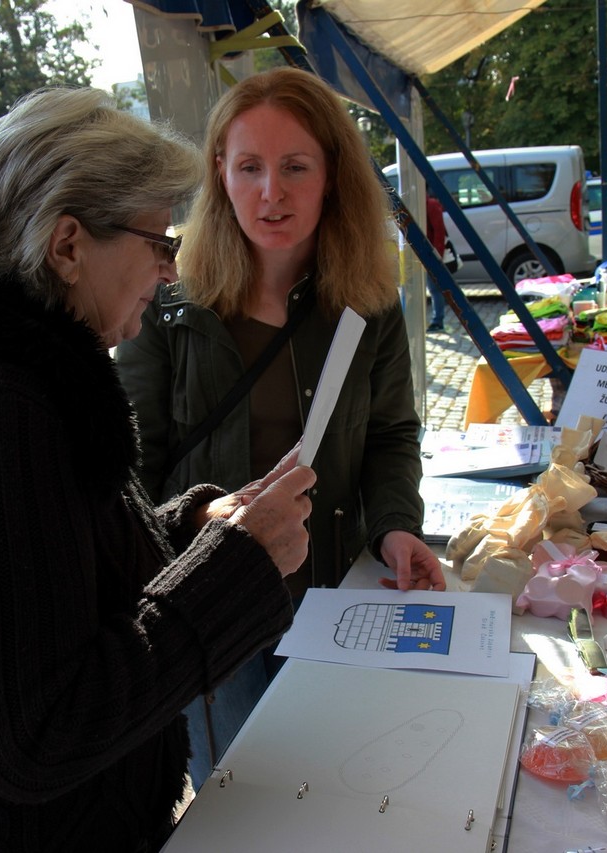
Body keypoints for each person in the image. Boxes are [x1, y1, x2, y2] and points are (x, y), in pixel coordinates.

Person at [0, 87, 316, 851]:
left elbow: (32, 577)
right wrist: (237, 571)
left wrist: (190, 528)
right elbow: (38, 734)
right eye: (157, 241)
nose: (168, 267)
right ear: (67, 245)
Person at [115, 67, 443, 787]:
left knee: (337, 790)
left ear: (332, 175)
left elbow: (390, 433)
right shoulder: (166, 301)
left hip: (332, 598)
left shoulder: (368, 301)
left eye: (296, 166)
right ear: (220, 177)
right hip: (211, 604)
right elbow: (128, 467)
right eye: (250, 167)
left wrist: (394, 526)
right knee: (242, 805)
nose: (273, 192)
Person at [425, 193, 448, 331]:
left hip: (430, 255)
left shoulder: (431, 205)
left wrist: (436, 256)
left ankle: (437, 321)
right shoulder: (416, 204)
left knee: (435, 289)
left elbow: (439, 231)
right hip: (416, 256)